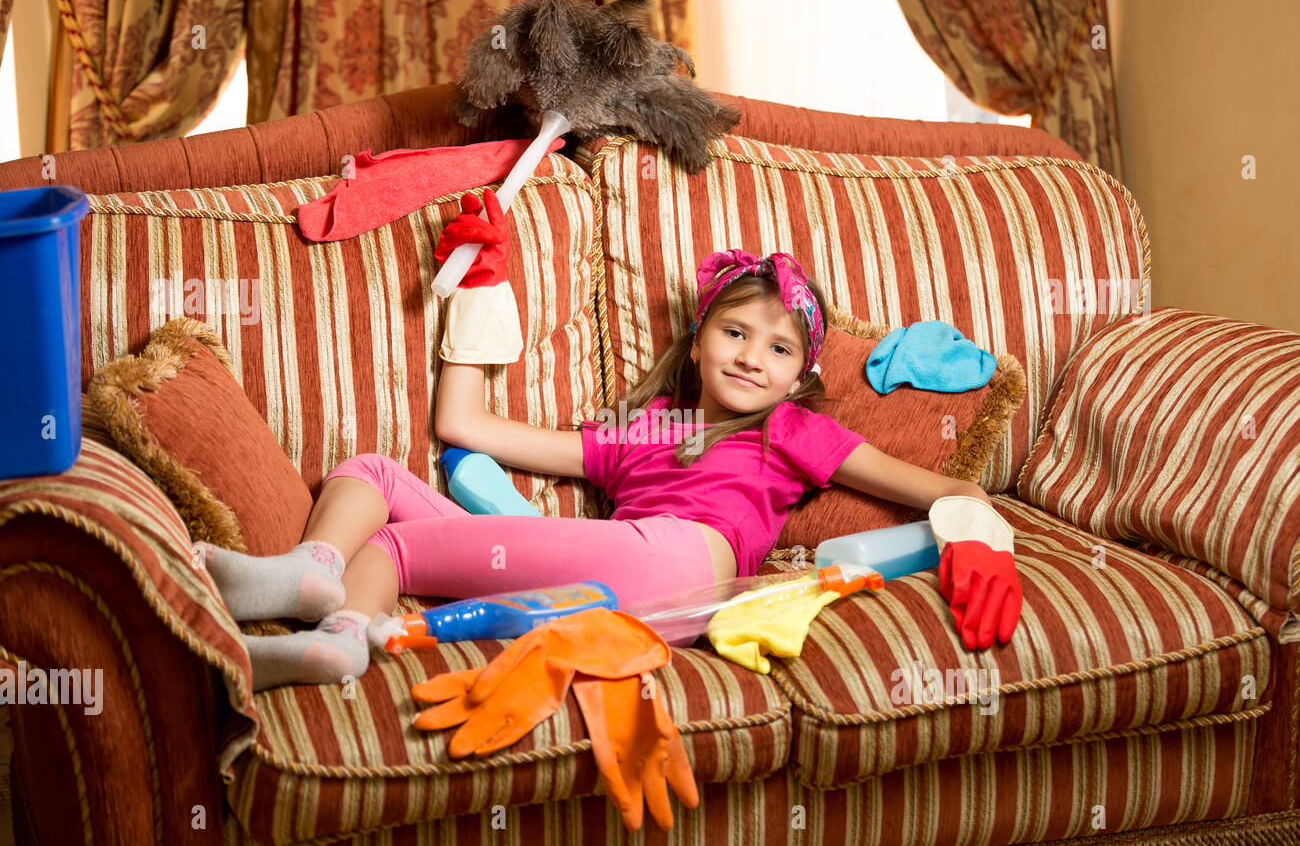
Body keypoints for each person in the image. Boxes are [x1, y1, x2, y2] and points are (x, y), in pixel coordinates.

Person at [197, 189, 1022, 691]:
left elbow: (941, 489)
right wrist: (480, 285)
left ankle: (330, 616)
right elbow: (466, 427)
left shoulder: (791, 428)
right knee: (373, 472)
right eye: (735, 332)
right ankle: (326, 601)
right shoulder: (641, 431)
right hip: (618, 565)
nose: (751, 357)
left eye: (779, 349)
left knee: (401, 550)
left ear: (801, 373)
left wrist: (983, 535)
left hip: (680, 568)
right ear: (698, 341)